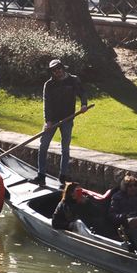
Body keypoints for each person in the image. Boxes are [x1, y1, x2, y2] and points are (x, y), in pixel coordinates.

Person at [30, 59, 88, 187]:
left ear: (63, 68)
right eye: (54, 70)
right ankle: (41, 175)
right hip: (53, 119)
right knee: (43, 145)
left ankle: (63, 176)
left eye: (59, 68)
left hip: (68, 118)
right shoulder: (49, 85)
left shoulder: (73, 80)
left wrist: (84, 105)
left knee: (65, 147)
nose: (57, 71)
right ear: (52, 72)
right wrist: (48, 121)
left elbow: (82, 93)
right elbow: (47, 104)